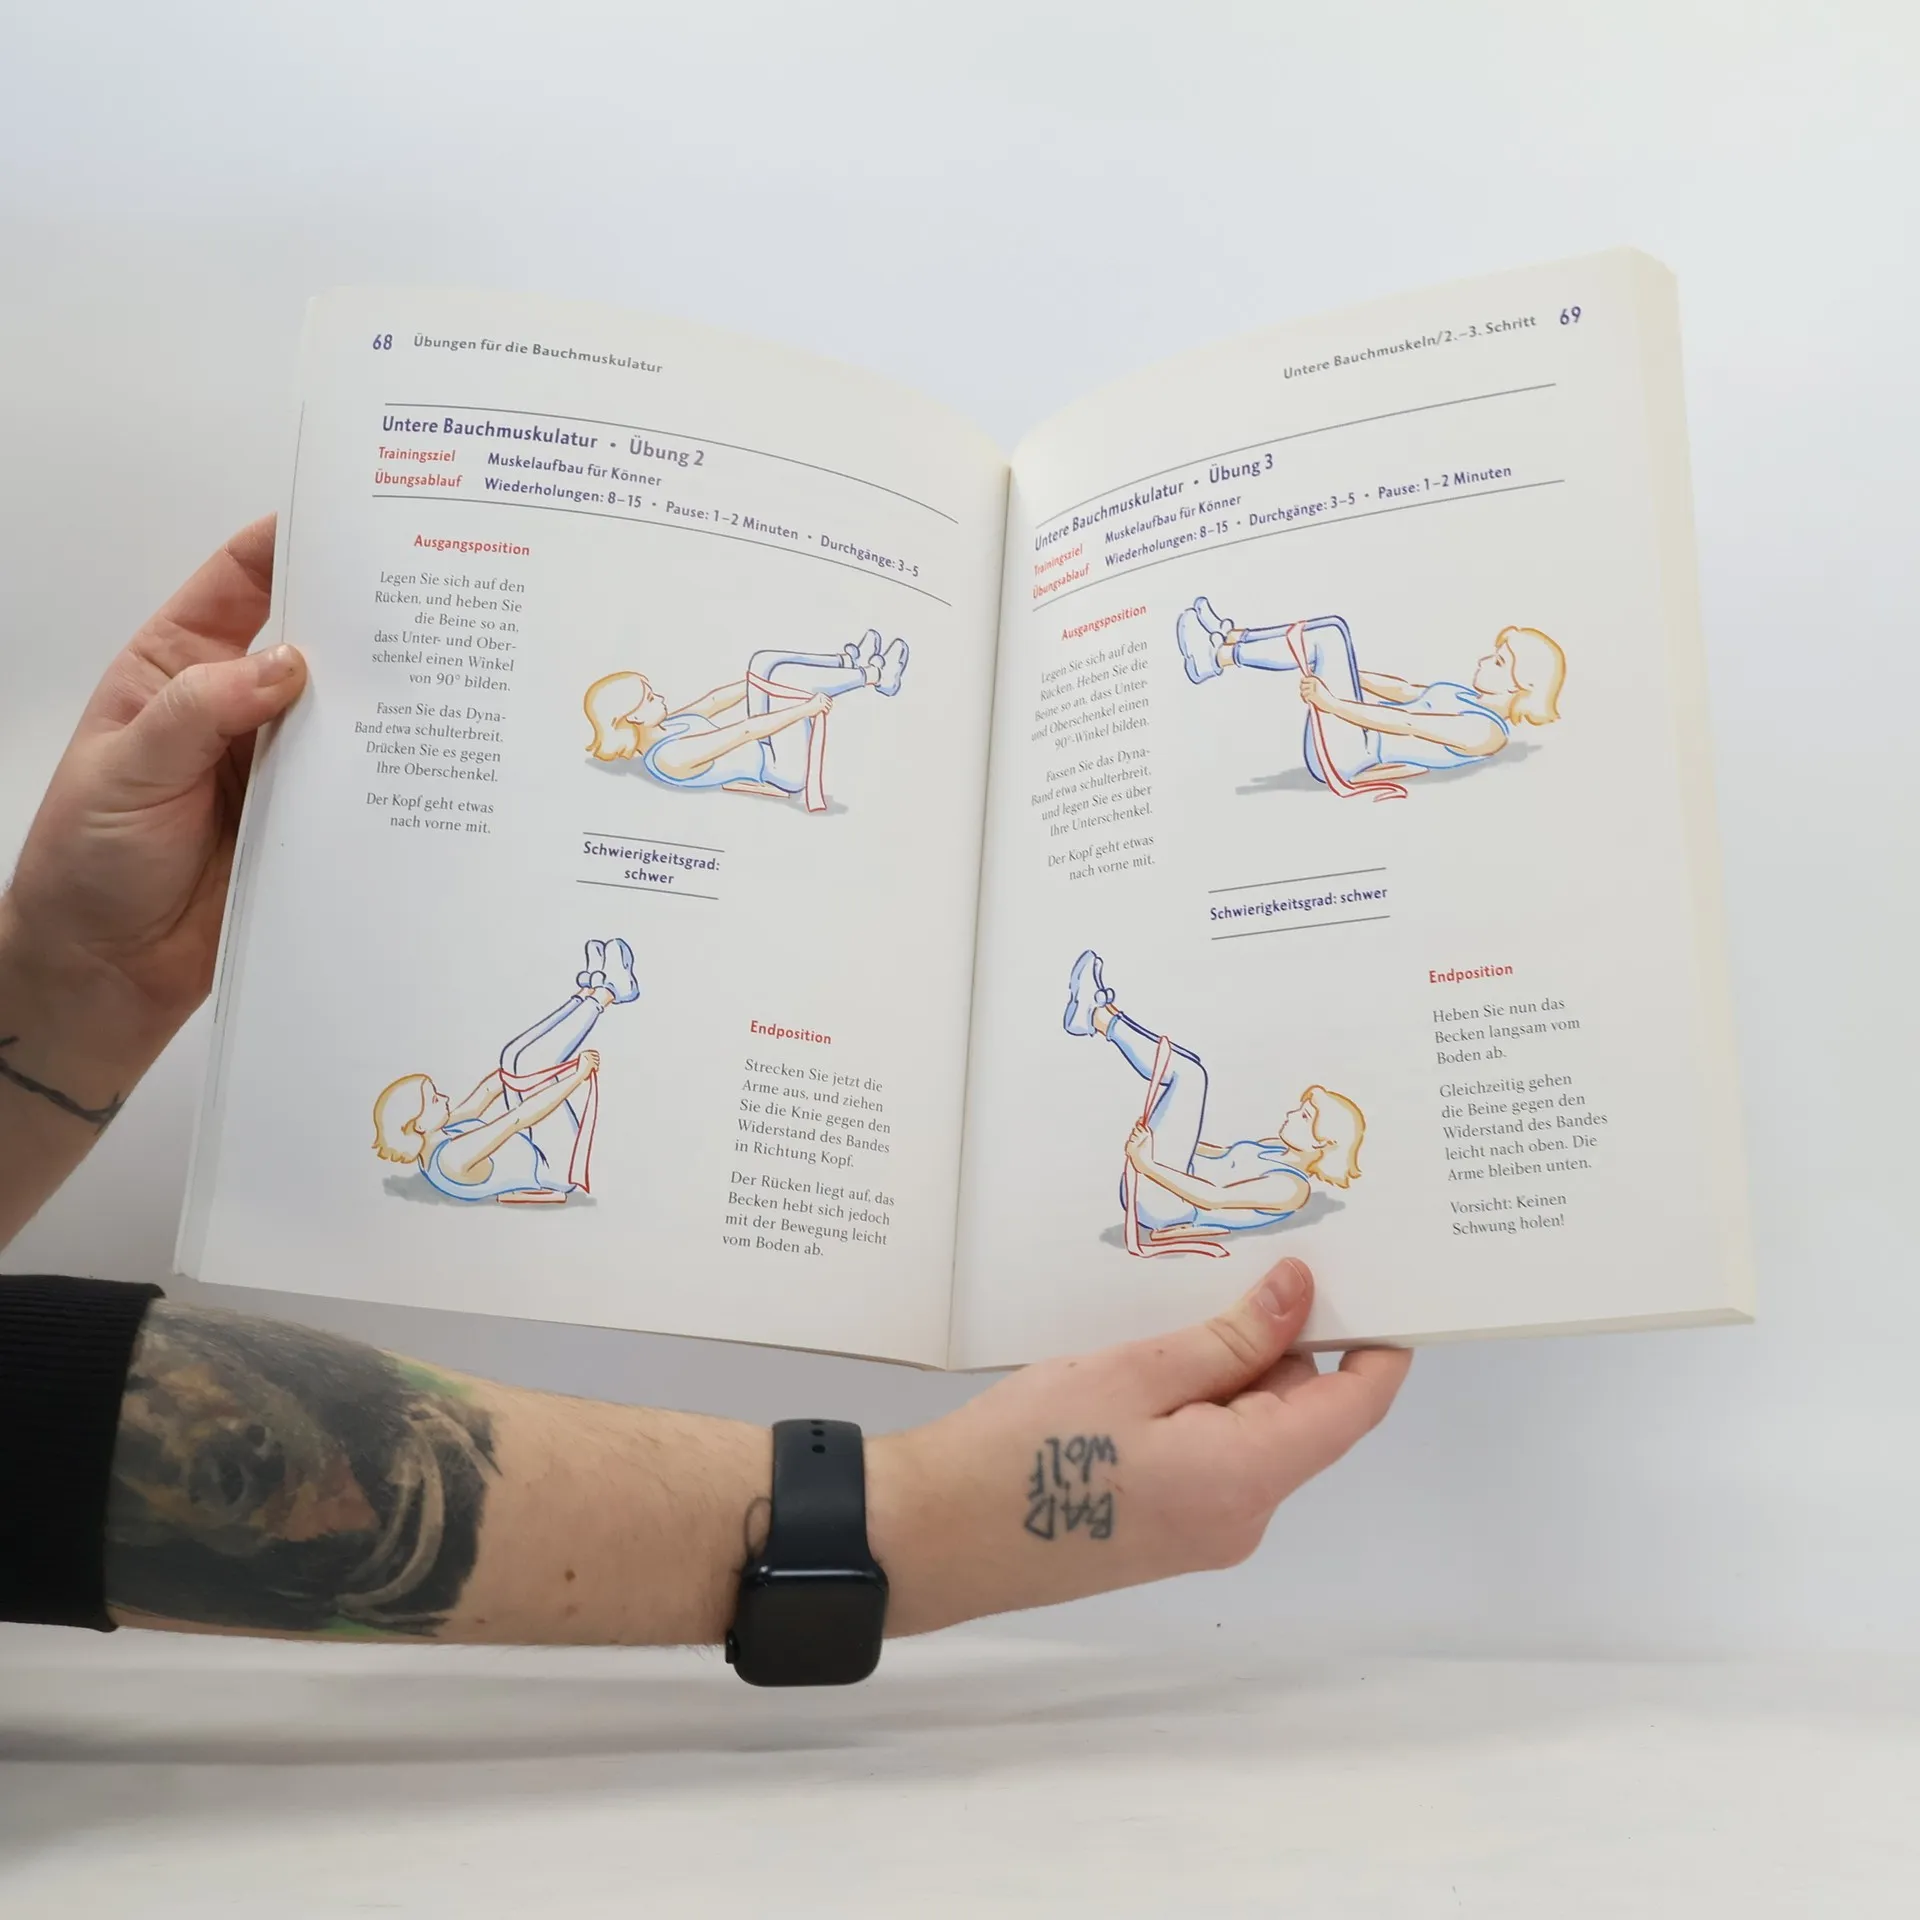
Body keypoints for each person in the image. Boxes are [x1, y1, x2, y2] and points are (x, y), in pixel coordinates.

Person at [0, 519, 1408, 1650]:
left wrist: (83, 969)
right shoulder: (480, 1106)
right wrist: (929, 1518)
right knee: (559, 1021)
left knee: (712, 790)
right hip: (1068, 1152)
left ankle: (844, 724)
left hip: (713, 959)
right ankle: (849, 725)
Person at [1063, 951, 1364, 1255]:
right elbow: (1217, 1154)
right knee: (1189, 1068)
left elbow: (1213, 1197)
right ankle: (1103, 1013)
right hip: (1166, 1177)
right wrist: (1171, 1131)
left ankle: (1098, 1018)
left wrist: (1148, 1163)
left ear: (1322, 1142)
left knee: (1191, 1076)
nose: (1292, 1113)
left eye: (1305, 1116)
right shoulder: (1275, 1149)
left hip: (1165, 1204)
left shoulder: (1292, 1188)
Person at [1176, 596, 1566, 792]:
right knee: (1332, 632)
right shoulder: (1465, 696)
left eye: (1498, 662)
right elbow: (1403, 691)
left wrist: (1332, 702)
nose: (1483, 660)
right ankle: (1231, 637)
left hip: (1348, 756)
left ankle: (1217, 658)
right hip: (1351, 734)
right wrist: (1343, 671)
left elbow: (1406, 722)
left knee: (1330, 636)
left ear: (1520, 686)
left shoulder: (1487, 732)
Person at [371, 936, 641, 1203]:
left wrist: (512, 1073)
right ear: (417, 1124)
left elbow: (483, 1097)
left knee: (512, 1056)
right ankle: (608, 993)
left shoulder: (433, 1135)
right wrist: (577, 1077)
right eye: (433, 1099)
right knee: (525, 1063)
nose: (443, 1098)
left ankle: (587, 993)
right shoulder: (452, 1158)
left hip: (533, 1144)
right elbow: (518, 1119)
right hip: (553, 1166)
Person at [583, 630, 909, 809]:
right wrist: (805, 709)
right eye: (650, 698)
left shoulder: (669, 726)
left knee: (762, 661)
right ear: (633, 716)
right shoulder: (668, 756)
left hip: (767, 745)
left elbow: (713, 702)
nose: (659, 697)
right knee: (791, 681)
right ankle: (876, 676)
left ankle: (845, 661)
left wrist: (756, 680)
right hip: (780, 768)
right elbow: (743, 731)